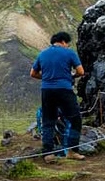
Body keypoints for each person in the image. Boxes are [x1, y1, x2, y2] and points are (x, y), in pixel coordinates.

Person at [30, 31, 86, 162]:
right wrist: (71, 76)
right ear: (63, 41)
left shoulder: (43, 53)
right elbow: (81, 71)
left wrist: (47, 78)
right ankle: (72, 151)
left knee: (48, 120)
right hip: (64, 89)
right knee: (75, 119)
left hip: (47, 90)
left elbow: (33, 73)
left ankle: (48, 154)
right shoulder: (69, 53)